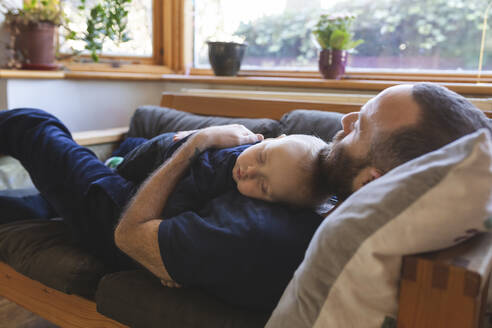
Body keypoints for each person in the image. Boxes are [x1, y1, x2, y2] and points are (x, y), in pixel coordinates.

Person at [1, 82, 490, 310]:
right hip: (144, 187)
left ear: (371, 182)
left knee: (31, 123)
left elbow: (130, 237)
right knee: (17, 207)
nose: (343, 121)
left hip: (121, 212)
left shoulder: (261, 236)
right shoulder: (333, 193)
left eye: (360, 124)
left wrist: (194, 144)